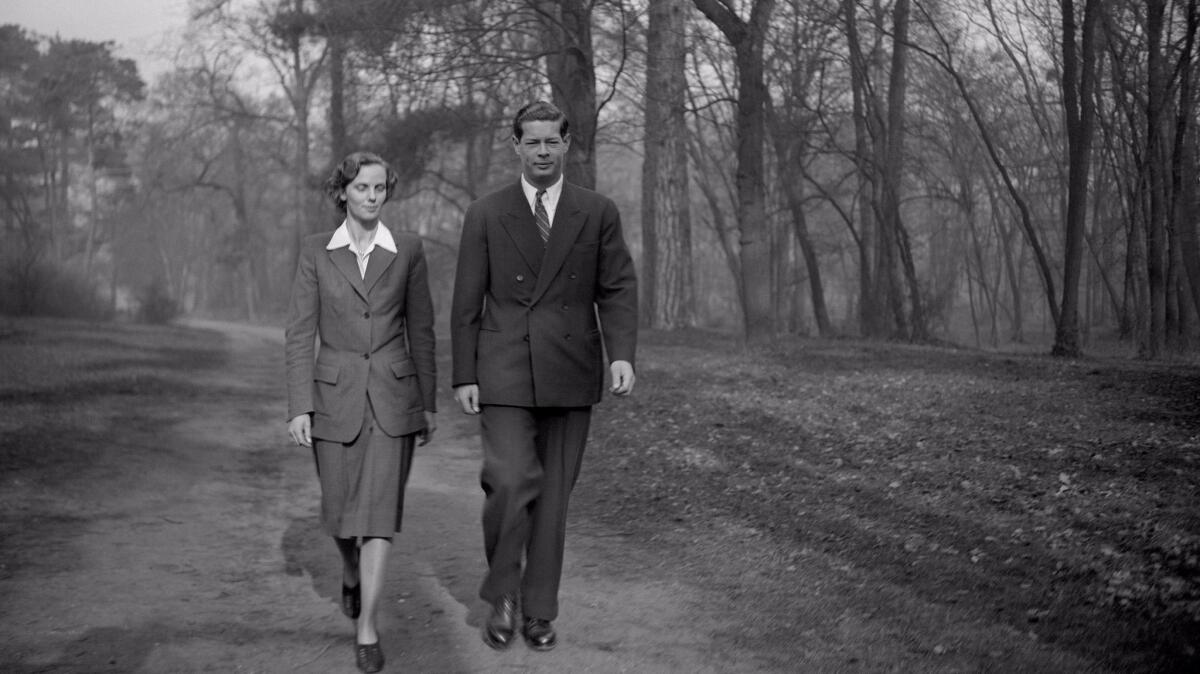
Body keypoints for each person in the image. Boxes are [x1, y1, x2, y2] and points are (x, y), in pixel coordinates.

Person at [450, 100, 638, 652]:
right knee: (508, 484)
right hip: (504, 369)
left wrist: (621, 354)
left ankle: (538, 610)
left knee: (553, 497)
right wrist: (465, 374)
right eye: (531, 142)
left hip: (571, 369)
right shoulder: (486, 212)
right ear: (515, 146)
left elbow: (618, 288)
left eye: (551, 142)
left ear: (568, 145)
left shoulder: (596, 211)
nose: (541, 152)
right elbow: (465, 302)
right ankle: (503, 593)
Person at [285, 151, 437, 673]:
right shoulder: (315, 252)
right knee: (339, 512)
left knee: (378, 518)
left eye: (379, 189)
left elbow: (422, 331)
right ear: (342, 193)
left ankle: (368, 627)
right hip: (334, 398)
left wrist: (428, 404)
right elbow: (301, 331)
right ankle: (348, 571)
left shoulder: (409, 251)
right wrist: (299, 405)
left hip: (394, 400)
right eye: (361, 188)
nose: (371, 197)